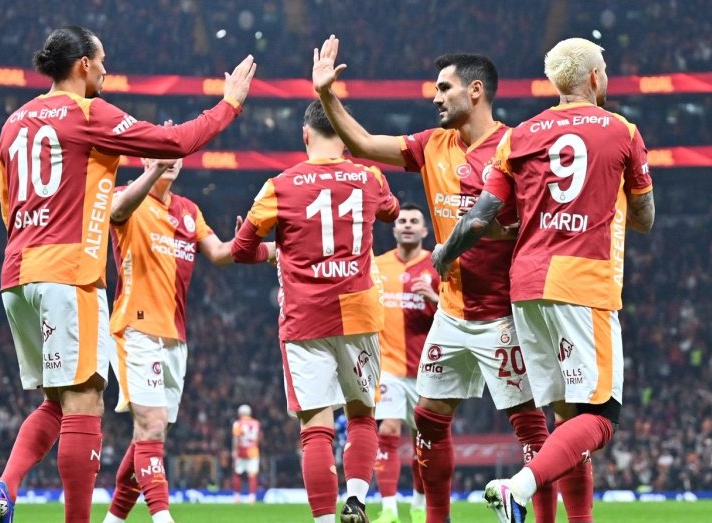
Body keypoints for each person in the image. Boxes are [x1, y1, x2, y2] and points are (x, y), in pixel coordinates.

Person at [0, 25, 257, 523]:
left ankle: (6, 485)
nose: (107, 70)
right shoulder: (88, 113)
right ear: (82, 64)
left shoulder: (12, 124)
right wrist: (229, 105)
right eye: (103, 60)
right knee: (86, 399)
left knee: (57, 401)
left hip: (17, 273)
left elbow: (9, 207)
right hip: (70, 273)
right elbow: (175, 141)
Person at [312, 35, 561, 523]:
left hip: (503, 315)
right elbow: (362, 145)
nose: (434, 97)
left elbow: (535, 222)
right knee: (428, 417)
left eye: (443, 88)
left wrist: (500, 229)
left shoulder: (515, 147)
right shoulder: (432, 145)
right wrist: (326, 94)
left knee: (529, 426)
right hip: (451, 312)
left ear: (474, 91)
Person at [431, 37, 655, 523]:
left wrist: (444, 253)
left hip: (526, 286)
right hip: (585, 284)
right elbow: (645, 215)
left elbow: (481, 217)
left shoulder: (520, 135)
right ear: (594, 77)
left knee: (565, 422)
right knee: (601, 416)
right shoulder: (622, 130)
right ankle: (519, 486)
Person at [231, 93, 401, 523]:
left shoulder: (279, 186)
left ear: (303, 134)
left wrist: (274, 251)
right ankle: (357, 500)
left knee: (315, 425)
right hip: (360, 311)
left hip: (305, 317)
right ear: (344, 135)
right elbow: (391, 212)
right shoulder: (369, 177)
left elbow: (241, 249)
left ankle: (325, 519)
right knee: (362, 414)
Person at [102, 156, 274, 523]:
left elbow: (222, 253)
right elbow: (114, 211)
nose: (171, 161)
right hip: (136, 326)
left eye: (176, 156)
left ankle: (113, 519)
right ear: (145, 157)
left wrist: (267, 247)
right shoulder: (127, 197)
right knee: (150, 427)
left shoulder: (189, 211)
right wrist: (153, 170)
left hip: (175, 337)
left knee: (149, 434)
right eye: (161, 154)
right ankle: (163, 517)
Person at [371, 204, 439, 523]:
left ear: (425, 231)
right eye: (402, 221)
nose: (408, 226)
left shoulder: (437, 265)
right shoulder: (377, 265)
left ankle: (419, 503)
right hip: (388, 365)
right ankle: (388, 509)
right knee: (388, 428)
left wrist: (434, 298)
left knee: (422, 441)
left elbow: (458, 312)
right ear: (394, 230)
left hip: (429, 369)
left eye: (414, 221)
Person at [231, 404, 263, 504]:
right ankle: (251, 497)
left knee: (237, 473)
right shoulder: (256, 423)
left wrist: (234, 450)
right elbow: (259, 437)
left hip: (241, 450)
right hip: (253, 451)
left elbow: (236, 438)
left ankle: (236, 497)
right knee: (252, 474)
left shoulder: (238, 423)